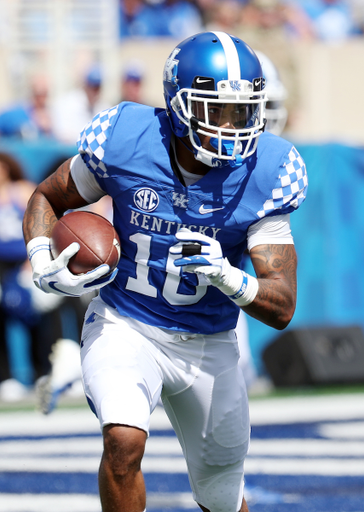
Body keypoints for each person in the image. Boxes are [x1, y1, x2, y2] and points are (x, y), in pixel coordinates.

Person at [23, 31, 307, 512]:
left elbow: (282, 305)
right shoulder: (127, 140)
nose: (233, 126)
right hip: (127, 323)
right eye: (215, 110)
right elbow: (48, 197)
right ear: (178, 104)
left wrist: (228, 276)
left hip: (209, 343)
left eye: (241, 111)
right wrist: (40, 259)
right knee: (123, 442)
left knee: (221, 496)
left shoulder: (267, 172)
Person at [0, 74, 53, 139]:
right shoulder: (15, 113)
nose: (41, 97)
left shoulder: (53, 115)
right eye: (38, 93)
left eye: (44, 93)